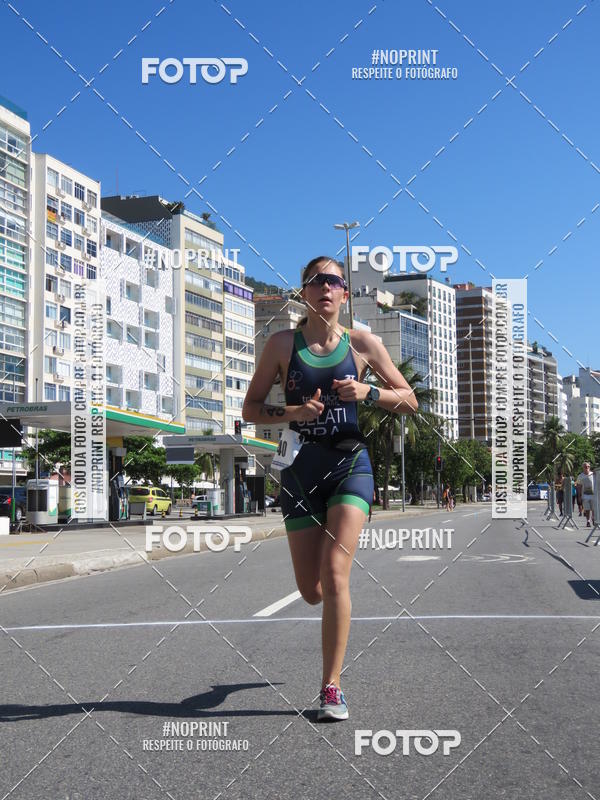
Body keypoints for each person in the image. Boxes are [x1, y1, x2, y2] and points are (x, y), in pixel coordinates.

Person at [242, 256, 418, 721]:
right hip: (300, 471)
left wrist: (369, 394)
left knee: (336, 573)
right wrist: (295, 414)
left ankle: (331, 687)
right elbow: (251, 409)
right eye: (315, 280)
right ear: (304, 293)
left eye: (334, 280)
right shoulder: (282, 344)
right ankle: (323, 610)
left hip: (348, 466)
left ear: (344, 294)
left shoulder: (363, 345)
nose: (325, 286)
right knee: (311, 589)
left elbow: (410, 400)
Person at [576, 462, 595, 527]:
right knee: (587, 509)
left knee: (594, 508)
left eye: (588, 466)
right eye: (585, 467)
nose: (587, 468)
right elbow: (578, 486)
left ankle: (593, 518)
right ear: (583, 468)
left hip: (593, 495)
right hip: (585, 495)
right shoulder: (580, 476)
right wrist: (579, 496)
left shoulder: (593, 474)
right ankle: (588, 521)